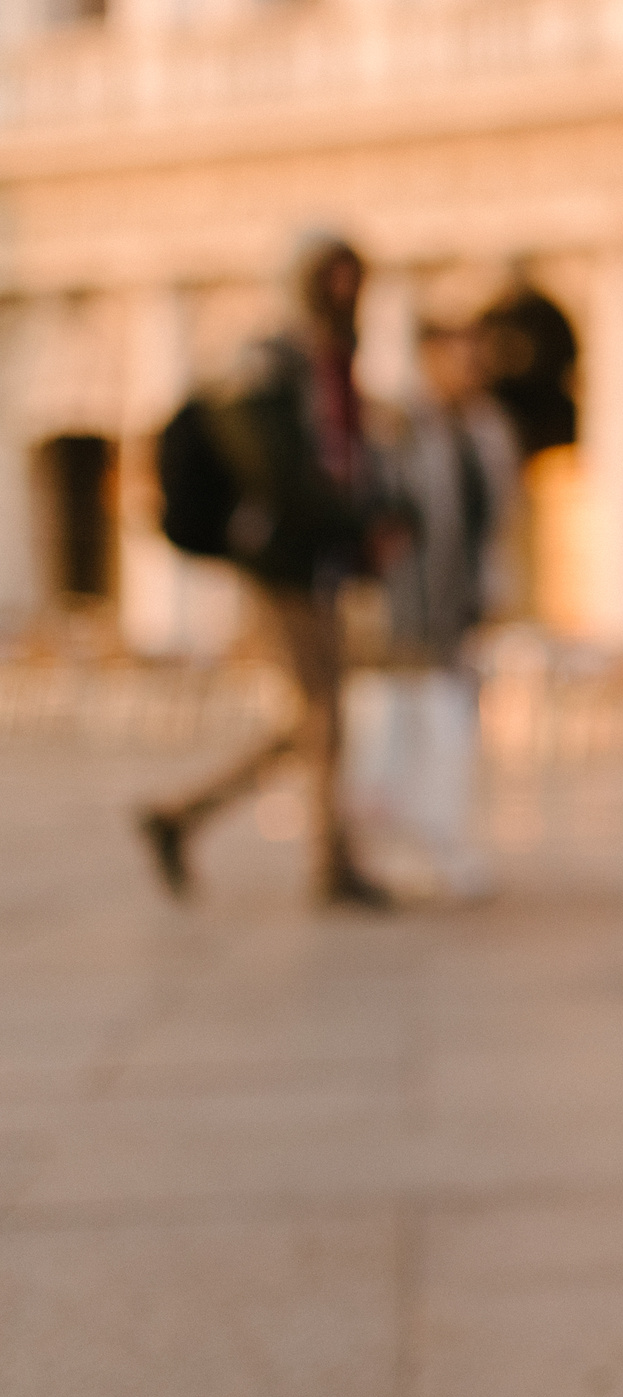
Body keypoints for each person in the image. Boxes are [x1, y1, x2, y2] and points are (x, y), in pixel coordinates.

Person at [139, 236, 396, 908]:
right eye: (333, 281)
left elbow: (348, 458)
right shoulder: (278, 360)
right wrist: (347, 518)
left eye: (353, 281)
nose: (345, 293)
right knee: (322, 717)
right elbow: (277, 466)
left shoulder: (336, 365)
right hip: (283, 564)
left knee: (319, 719)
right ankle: (329, 864)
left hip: (321, 564)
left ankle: (181, 815)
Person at [350, 319, 518, 900]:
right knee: (393, 734)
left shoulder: (485, 431)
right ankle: (390, 848)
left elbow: (493, 523)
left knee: (451, 732)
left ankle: (442, 845)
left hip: (457, 611)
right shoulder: (398, 430)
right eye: (455, 355)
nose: (467, 368)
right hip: (401, 612)